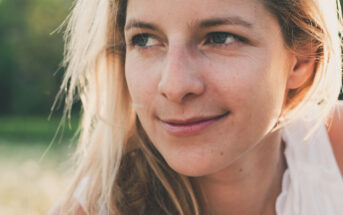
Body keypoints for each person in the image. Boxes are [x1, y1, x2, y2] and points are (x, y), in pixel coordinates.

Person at [49, 0, 343, 214]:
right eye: (145, 39)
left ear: (302, 60)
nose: (174, 86)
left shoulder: (335, 148)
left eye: (220, 38)